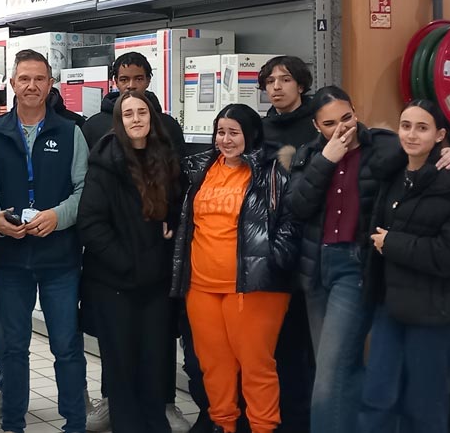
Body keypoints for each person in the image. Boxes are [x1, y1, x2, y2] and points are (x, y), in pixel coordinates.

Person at [283, 87, 450, 433]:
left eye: (347, 118)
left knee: (331, 376)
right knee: (333, 371)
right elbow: (298, 206)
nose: (342, 129)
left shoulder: (381, 145)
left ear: (355, 111)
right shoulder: (309, 154)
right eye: (329, 124)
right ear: (316, 126)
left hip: (355, 266)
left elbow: (424, 149)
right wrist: (326, 159)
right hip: (317, 267)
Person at [358, 100, 450, 433]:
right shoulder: (393, 174)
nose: (411, 135)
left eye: (422, 128)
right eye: (405, 126)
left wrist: (393, 244)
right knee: (376, 397)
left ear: (440, 135)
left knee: (423, 405)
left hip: (436, 310)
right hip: (391, 304)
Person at [0, 49, 89, 433]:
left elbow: (84, 190)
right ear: (12, 83)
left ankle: (75, 424)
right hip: (11, 260)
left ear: (50, 84)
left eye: (39, 79)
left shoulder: (71, 132)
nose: (31, 86)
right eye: (24, 79)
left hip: (60, 259)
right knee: (13, 348)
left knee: (66, 347)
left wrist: (58, 216)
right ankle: (13, 424)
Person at [172, 104, 296, 433]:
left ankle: (263, 428)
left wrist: (273, 259)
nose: (225, 140)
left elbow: (290, 219)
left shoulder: (271, 170)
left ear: (250, 135)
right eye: (220, 132)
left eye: (233, 133)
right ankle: (224, 425)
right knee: (214, 367)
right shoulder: (200, 168)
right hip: (201, 286)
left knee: (256, 366)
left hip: (252, 287)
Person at [78, 91, 181, 433]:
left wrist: (171, 223)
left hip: (156, 284)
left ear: (152, 118)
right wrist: (128, 263)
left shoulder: (164, 157)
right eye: (128, 114)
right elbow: (91, 224)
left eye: (142, 112)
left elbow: (177, 207)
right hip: (115, 284)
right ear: (119, 122)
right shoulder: (105, 163)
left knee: (154, 365)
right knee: (121, 368)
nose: (136, 119)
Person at [257, 55, 317, 433]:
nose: (277, 87)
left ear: (301, 84)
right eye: (270, 81)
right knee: (271, 346)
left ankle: (301, 421)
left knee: (302, 348)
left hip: (308, 247)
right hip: (268, 246)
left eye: (285, 80)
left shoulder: (317, 124)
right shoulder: (260, 128)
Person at [81, 51, 185, 146]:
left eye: (138, 79)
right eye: (124, 80)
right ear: (116, 82)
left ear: (148, 81)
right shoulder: (93, 127)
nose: (131, 85)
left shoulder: (168, 126)